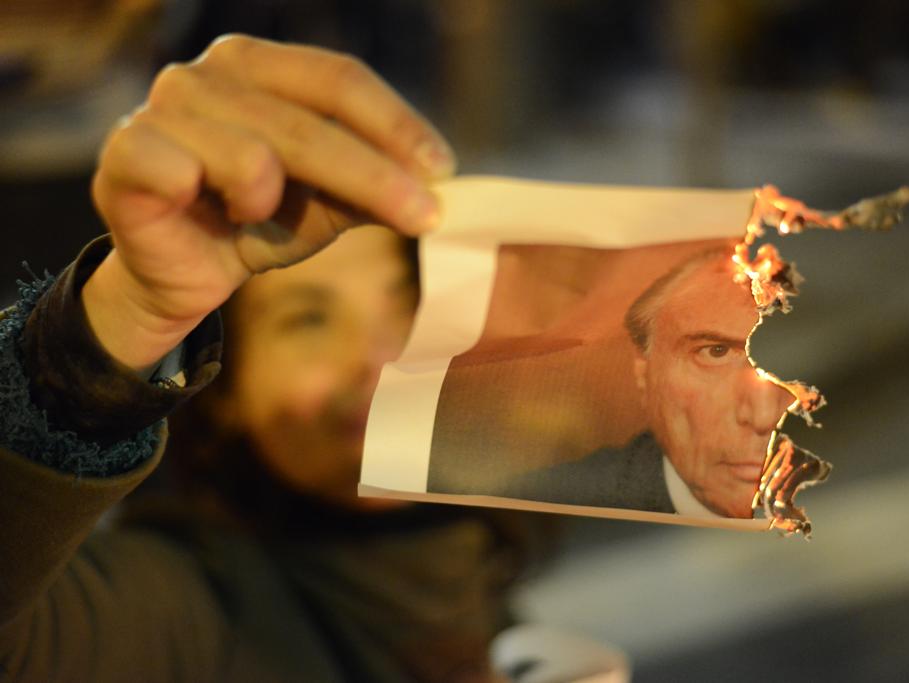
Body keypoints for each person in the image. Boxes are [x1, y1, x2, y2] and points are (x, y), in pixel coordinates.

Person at [0, 35, 548, 682]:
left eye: (408, 302)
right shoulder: (182, 612)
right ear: (226, 398)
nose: (378, 363)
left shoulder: (484, 566)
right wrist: (126, 312)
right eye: (308, 318)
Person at [501, 248, 795, 519]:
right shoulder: (548, 506)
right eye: (715, 352)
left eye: (787, 360)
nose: (763, 415)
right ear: (645, 377)